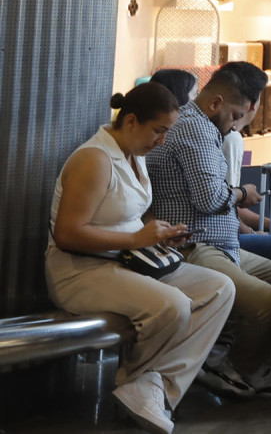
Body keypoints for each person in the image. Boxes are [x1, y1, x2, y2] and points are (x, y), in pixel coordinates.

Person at [46, 83, 235, 434]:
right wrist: (136, 237)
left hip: (126, 261)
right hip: (79, 272)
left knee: (220, 288)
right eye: (158, 130)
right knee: (173, 306)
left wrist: (159, 234)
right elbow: (67, 234)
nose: (161, 140)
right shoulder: (94, 159)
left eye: (166, 132)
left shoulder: (134, 155)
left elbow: (123, 216)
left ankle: (151, 386)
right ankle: (140, 386)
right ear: (131, 121)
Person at [145, 61, 271, 397]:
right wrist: (243, 194)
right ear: (216, 103)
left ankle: (262, 358)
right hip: (192, 246)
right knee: (266, 299)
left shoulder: (205, 127)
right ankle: (231, 364)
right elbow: (209, 198)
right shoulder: (194, 129)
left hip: (217, 244)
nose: (235, 127)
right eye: (236, 116)